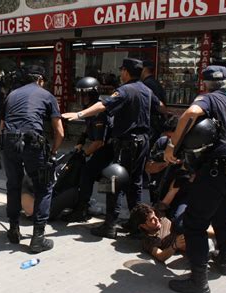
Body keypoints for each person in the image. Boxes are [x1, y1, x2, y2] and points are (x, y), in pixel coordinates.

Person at [164, 65, 226, 293]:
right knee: (225, 215)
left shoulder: (208, 98)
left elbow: (190, 114)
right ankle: (223, 261)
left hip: (216, 169)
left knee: (195, 223)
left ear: (204, 84)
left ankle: (198, 281)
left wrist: (172, 147)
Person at [63, 58, 164, 239]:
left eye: (122, 70)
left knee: (111, 182)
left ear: (125, 71)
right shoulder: (147, 90)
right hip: (143, 142)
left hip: (126, 144)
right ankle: (136, 225)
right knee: (135, 183)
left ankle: (109, 224)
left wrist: (79, 113)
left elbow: (103, 105)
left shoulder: (124, 90)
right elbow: (161, 107)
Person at [0, 65, 64, 253]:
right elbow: (59, 131)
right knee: (44, 186)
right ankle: (38, 237)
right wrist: (52, 152)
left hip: (8, 142)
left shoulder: (11, 95)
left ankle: (13, 229)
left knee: (13, 185)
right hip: (33, 144)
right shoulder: (47, 95)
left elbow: (1, 127)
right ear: (41, 80)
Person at [62, 76, 114, 222]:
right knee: (86, 173)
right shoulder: (90, 109)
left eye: (85, 94)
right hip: (101, 149)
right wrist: (80, 142)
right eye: (80, 94)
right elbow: (87, 129)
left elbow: (99, 142)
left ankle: (82, 210)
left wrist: (84, 153)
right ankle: (85, 204)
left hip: (107, 151)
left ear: (92, 94)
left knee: (88, 174)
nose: (82, 98)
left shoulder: (99, 112)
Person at [130, 204, 226, 263]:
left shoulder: (160, 214)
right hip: (201, 240)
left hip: (206, 224)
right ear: (142, 226)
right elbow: (160, 256)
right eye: (151, 219)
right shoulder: (148, 240)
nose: (156, 219)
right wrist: (174, 246)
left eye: (155, 215)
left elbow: (173, 190)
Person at [141, 60, 168, 145]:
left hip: (152, 122)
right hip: (157, 121)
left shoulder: (147, 83)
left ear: (144, 69)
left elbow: (157, 104)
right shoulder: (154, 82)